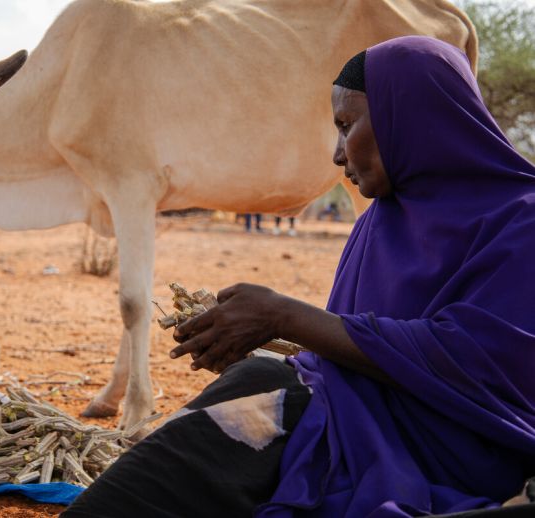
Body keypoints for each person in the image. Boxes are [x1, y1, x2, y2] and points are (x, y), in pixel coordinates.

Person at [61, 36, 535, 518]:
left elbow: (478, 366)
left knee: (263, 393)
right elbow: (361, 355)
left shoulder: (522, 222)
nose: (337, 153)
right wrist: (281, 341)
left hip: (464, 453)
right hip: (360, 426)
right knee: (254, 394)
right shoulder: (379, 223)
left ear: (411, 117)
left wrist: (283, 316)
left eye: (347, 126)